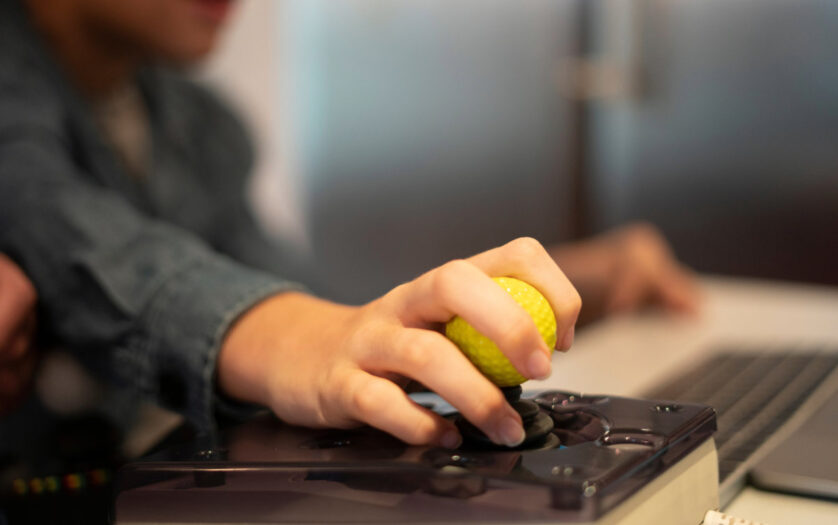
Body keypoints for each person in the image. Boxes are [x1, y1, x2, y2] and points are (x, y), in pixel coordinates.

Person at [0, 0, 697, 451]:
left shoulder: (200, 125)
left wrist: (576, 280)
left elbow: (308, 298)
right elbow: (83, 238)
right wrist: (304, 337)